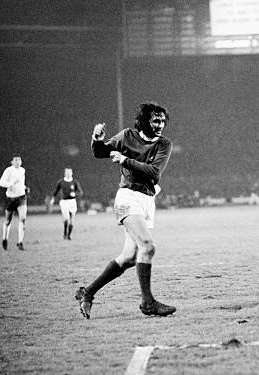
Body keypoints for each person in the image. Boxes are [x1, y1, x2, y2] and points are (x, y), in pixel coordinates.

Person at [75, 101, 176, 319]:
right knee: (147, 247)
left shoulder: (164, 144)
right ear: (145, 121)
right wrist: (97, 138)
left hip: (147, 201)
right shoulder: (127, 135)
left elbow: (154, 172)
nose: (160, 124)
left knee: (129, 257)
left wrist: (125, 160)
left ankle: (88, 293)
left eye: (162, 121)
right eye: (155, 120)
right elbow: (100, 152)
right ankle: (148, 303)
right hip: (128, 198)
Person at [0, 155, 28, 250]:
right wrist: (9, 184)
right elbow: (1, 182)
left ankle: (20, 242)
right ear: (12, 162)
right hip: (10, 198)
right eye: (15, 160)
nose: (18, 161)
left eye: (19, 160)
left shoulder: (22, 170)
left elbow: (21, 183)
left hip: (21, 198)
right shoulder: (8, 170)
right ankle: (4, 239)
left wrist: (24, 188)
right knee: (8, 221)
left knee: (23, 219)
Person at [50, 167, 83, 240]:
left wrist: (75, 194)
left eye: (69, 172)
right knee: (66, 219)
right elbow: (56, 191)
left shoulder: (75, 182)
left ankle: (68, 235)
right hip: (64, 202)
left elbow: (80, 192)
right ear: (64, 173)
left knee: (72, 219)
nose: (68, 173)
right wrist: (52, 198)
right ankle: (65, 232)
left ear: (72, 173)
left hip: (72, 202)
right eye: (67, 172)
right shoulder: (61, 182)